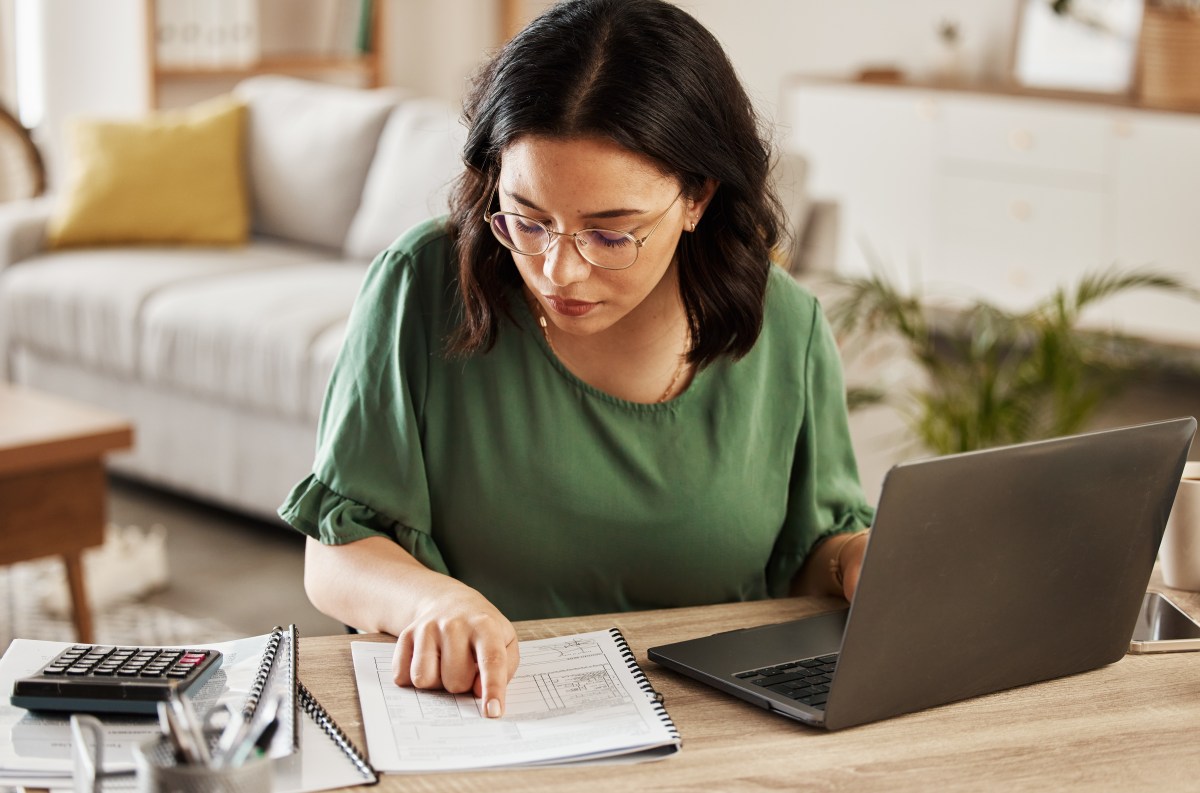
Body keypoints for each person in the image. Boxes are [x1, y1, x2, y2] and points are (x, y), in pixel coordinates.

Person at [279, 0, 874, 720]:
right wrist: (432, 600)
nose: (558, 270)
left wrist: (855, 561)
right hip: (489, 717)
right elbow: (337, 551)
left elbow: (810, 558)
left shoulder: (787, 326)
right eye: (527, 220)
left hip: (725, 729)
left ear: (698, 197)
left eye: (611, 234)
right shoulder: (419, 287)